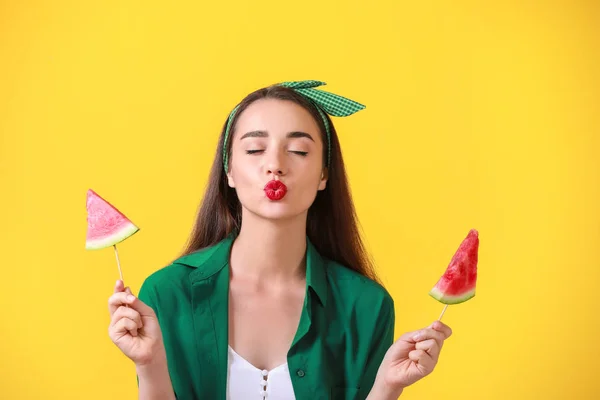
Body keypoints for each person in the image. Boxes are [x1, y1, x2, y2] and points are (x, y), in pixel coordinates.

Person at [108, 80, 453, 400]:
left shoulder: (368, 306)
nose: (275, 165)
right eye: (256, 149)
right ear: (228, 170)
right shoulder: (166, 295)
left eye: (299, 151)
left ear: (323, 175)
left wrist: (388, 386)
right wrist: (149, 365)